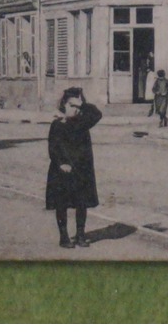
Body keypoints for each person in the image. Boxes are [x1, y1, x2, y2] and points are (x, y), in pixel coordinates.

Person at [46, 87, 103, 248]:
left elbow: (97, 114)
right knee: (61, 203)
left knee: (81, 203)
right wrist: (61, 163)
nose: (76, 110)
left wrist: (83, 105)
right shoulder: (58, 124)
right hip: (62, 170)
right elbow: (53, 147)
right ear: (64, 105)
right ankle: (64, 237)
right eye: (72, 106)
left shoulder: (82, 123)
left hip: (81, 170)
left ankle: (80, 235)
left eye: (79, 107)